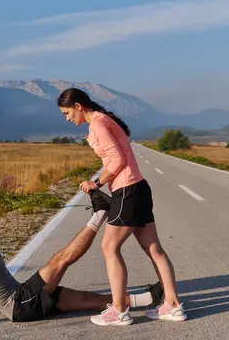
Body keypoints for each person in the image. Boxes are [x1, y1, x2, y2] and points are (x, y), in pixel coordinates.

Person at [0, 196, 163, 339]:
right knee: (61, 259)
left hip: (28, 301)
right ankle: (101, 212)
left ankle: (149, 298)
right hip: (20, 303)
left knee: (96, 300)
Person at [57, 87, 186, 326]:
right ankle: (173, 305)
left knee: (109, 247)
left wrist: (96, 183)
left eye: (66, 113)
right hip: (138, 188)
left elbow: (117, 159)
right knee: (154, 249)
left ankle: (118, 310)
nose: (67, 118)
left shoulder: (97, 123)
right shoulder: (102, 121)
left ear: (78, 106)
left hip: (128, 191)